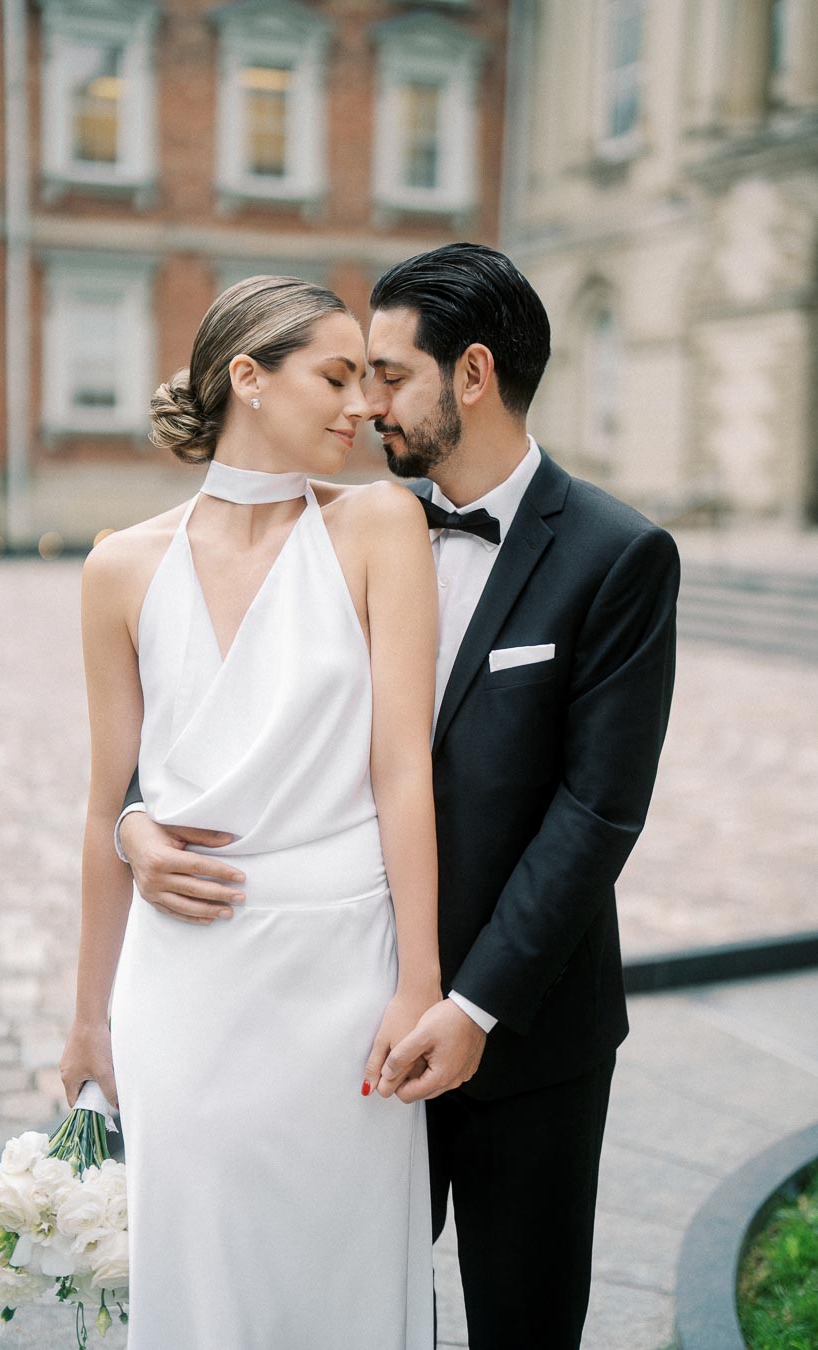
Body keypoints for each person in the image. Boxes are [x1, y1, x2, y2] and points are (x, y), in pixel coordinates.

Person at [118, 244, 681, 1349]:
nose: (365, 402)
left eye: (388, 373)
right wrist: (138, 815)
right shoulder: (347, 524)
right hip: (346, 1020)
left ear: (471, 375)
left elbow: (597, 811)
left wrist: (469, 1006)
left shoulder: (620, 556)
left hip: (524, 1030)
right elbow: (217, 697)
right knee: (349, 1311)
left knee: (525, 1322)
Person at [59, 275, 441, 1349]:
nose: (363, 404)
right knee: (201, 1267)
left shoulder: (380, 525)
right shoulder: (119, 567)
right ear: (247, 379)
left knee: (340, 1272)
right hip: (183, 979)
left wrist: (420, 981)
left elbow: (403, 770)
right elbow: (105, 811)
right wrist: (90, 1016)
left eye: (370, 379)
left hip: (343, 972)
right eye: (335, 376)